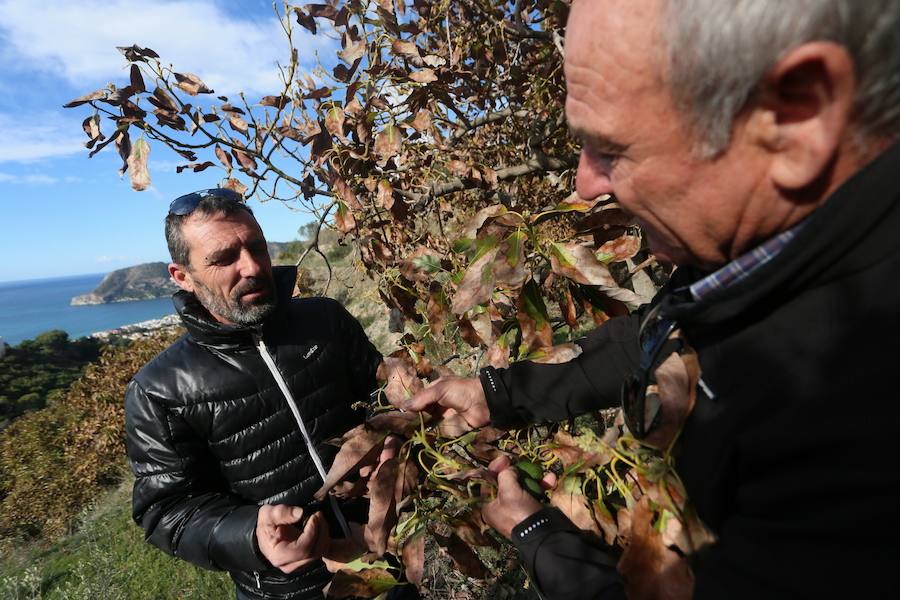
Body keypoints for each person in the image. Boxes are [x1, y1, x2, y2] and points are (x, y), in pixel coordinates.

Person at [405, 0, 900, 598]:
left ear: (797, 116)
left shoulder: (854, 433)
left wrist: (535, 533)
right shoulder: (757, 250)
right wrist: (498, 393)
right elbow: (666, 335)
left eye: (611, 149)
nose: (585, 186)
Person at [124, 188, 384, 600]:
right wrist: (253, 536)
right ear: (183, 276)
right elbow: (166, 511)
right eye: (223, 258)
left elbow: (381, 398)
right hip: (288, 589)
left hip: (386, 548)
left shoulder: (326, 319)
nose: (251, 267)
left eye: (256, 247)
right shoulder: (160, 390)